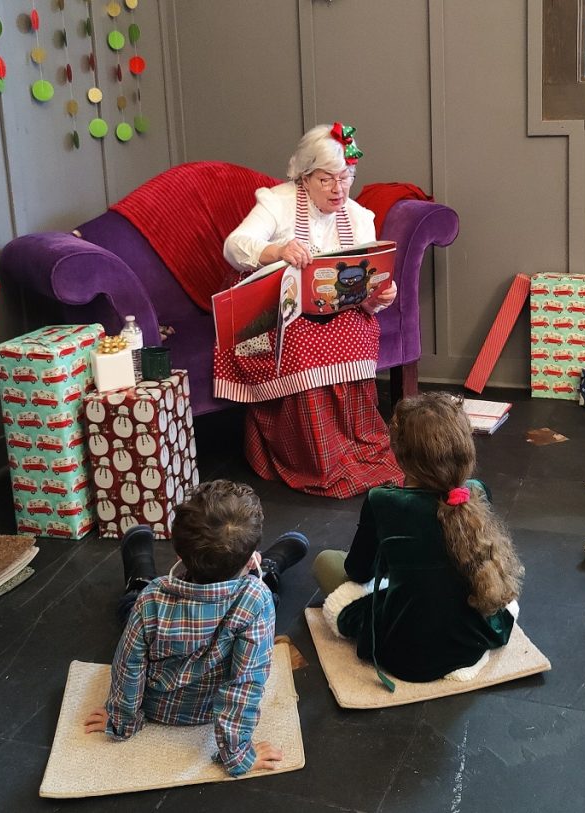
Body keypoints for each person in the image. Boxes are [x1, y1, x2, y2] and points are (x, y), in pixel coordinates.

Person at [215, 122, 403, 499]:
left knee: (354, 330)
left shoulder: (359, 216)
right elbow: (235, 246)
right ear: (304, 176)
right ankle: (314, 458)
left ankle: (354, 446)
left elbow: (367, 284)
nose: (339, 189)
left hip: (338, 312)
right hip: (281, 314)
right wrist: (277, 251)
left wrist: (380, 295)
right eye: (326, 180)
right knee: (303, 341)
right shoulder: (277, 201)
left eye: (346, 177)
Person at [83, 480, 309, 777]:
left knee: (133, 603)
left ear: (179, 553)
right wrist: (237, 755)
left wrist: (122, 720)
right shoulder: (256, 599)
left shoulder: (152, 597)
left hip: (157, 708)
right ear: (251, 554)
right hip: (209, 709)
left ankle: (138, 567)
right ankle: (270, 565)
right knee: (265, 592)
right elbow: (246, 684)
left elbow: (129, 666)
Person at [312, 392, 524, 685]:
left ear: (400, 455)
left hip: (405, 652)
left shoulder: (382, 500)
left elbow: (359, 571)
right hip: (473, 639)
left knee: (327, 563)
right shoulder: (476, 491)